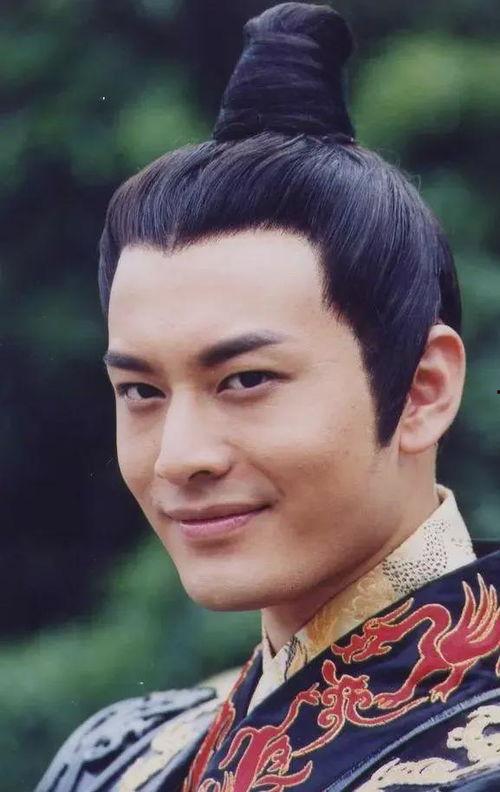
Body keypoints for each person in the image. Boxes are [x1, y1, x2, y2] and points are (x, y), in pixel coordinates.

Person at [36, 3, 500, 791]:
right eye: (141, 390)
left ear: (422, 390)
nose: (179, 457)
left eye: (246, 381)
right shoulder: (120, 760)